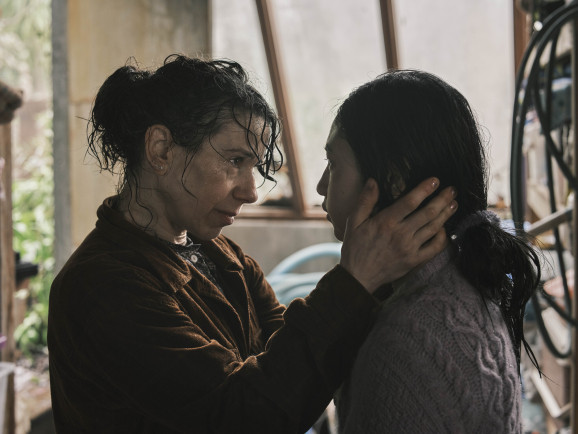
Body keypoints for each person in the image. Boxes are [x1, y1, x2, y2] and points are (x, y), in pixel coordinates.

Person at [47, 55, 457, 433]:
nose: (250, 191)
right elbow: (245, 417)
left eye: (254, 166)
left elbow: (292, 361)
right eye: (234, 161)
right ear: (161, 149)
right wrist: (354, 280)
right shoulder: (102, 287)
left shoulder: (223, 256)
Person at [316, 70, 541, 433]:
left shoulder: (402, 349)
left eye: (334, 164)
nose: (320, 185)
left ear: (394, 180)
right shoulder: (461, 275)